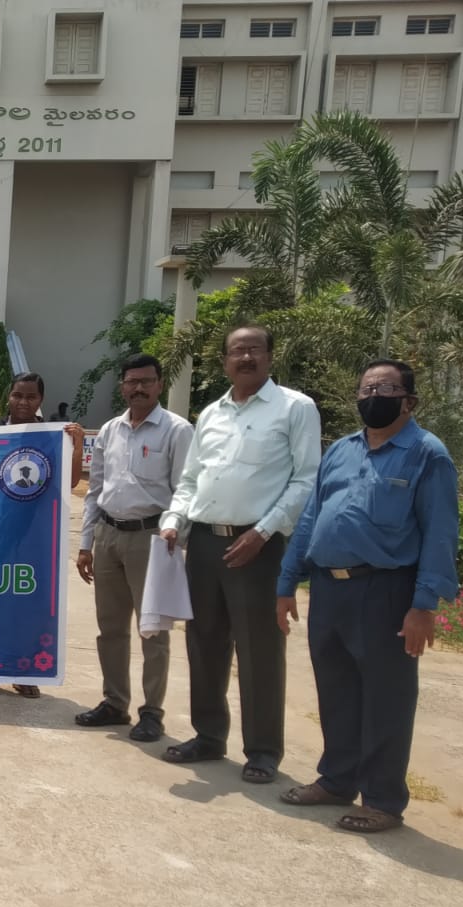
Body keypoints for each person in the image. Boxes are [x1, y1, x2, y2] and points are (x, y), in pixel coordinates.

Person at [275, 360, 458, 833]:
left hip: (386, 591)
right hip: (329, 589)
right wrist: (286, 581)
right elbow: (312, 517)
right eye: (367, 387)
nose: (374, 394)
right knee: (336, 692)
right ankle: (337, 780)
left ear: (409, 400)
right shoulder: (340, 450)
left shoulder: (426, 454)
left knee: (386, 699)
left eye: (387, 387)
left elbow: (441, 532)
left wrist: (423, 606)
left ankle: (382, 800)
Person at [160, 325, 321, 784]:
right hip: (205, 542)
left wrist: (266, 531)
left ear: (270, 355)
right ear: (225, 360)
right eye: (236, 351)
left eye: (254, 349)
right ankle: (209, 735)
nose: (245, 357)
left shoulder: (295, 408)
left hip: (260, 545)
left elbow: (305, 479)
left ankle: (264, 750)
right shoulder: (212, 413)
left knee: (259, 649)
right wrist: (175, 521)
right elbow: (191, 479)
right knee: (203, 642)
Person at [74, 354, 193, 743]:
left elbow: (185, 491)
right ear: (122, 386)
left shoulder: (177, 430)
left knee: (153, 630)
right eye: (131, 381)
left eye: (146, 381)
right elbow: (95, 490)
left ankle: (152, 712)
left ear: (160, 384)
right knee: (110, 628)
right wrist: (86, 543)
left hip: (152, 538)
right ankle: (115, 702)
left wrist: (176, 534)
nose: (138, 388)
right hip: (108, 535)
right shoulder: (110, 430)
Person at [0, 372, 85, 700]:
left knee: (29, 601)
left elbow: (71, 483)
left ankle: (25, 670)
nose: (23, 402)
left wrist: (75, 447)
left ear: (40, 401)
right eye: (17, 395)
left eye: (30, 397)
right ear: (9, 396)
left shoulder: (52, 436)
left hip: (36, 533)